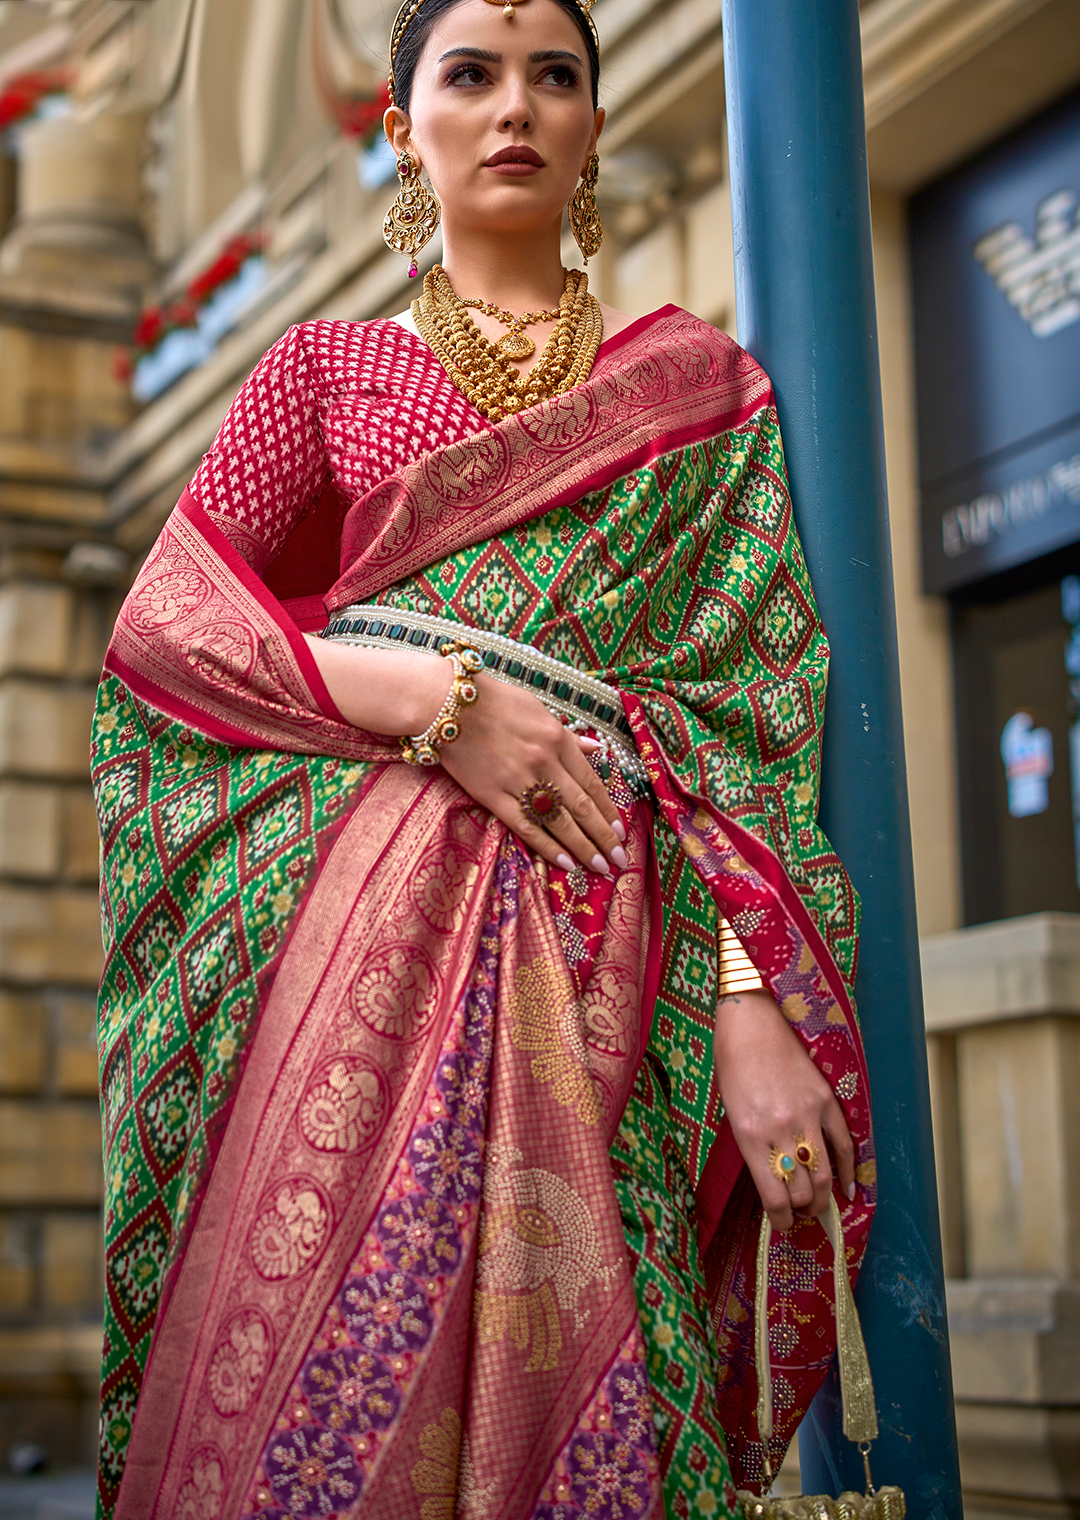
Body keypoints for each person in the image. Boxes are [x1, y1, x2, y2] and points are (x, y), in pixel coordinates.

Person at [91, 0, 875, 1513]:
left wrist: (747, 1002)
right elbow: (170, 629)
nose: (514, 106)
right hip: (355, 976)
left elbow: (743, 725)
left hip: (620, 982)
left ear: (591, 127)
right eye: (471, 75)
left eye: (554, 77)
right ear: (404, 130)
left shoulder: (698, 395)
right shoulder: (325, 372)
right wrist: (431, 704)